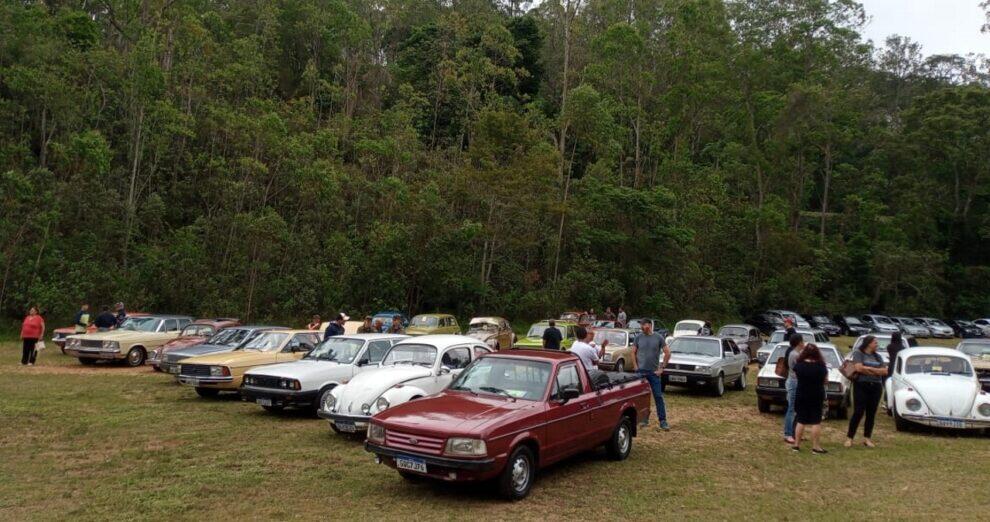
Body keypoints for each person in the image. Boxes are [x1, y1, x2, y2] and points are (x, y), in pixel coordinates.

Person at [846, 335, 887, 448]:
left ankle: (867, 438)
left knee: (871, 413)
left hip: (876, 387)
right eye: (875, 343)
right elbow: (858, 368)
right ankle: (850, 438)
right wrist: (876, 371)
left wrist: (869, 369)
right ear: (869, 343)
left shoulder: (878, 356)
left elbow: (884, 371)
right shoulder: (859, 353)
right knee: (858, 412)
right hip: (861, 385)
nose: (877, 345)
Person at [632, 320, 671, 431]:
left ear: (649, 325)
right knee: (641, 397)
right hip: (640, 372)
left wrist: (661, 368)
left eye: (643, 325)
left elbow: (667, 353)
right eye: (641, 325)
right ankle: (643, 419)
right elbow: (632, 352)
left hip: (653, 373)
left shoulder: (658, 337)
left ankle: (663, 421)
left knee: (658, 396)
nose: (641, 327)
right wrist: (635, 367)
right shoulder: (638, 337)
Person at [791, 343, 829, 454]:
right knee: (816, 421)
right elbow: (825, 381)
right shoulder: (821, 366)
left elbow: (797, 377)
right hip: (816, 394)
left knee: (801, 419)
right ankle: (816, 447)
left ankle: (796, 445)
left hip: (802, 394)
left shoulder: (799, 365)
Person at [782, 333, 805, 444]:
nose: (804, 343)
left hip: (796, 382)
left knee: (797, 409)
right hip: (793, 383)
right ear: (799, 342)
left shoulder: (796, 353)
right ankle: (788, 434)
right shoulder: (794, 354)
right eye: (802, 341)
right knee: (791, 409)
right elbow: (800, 369)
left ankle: (795, 432)